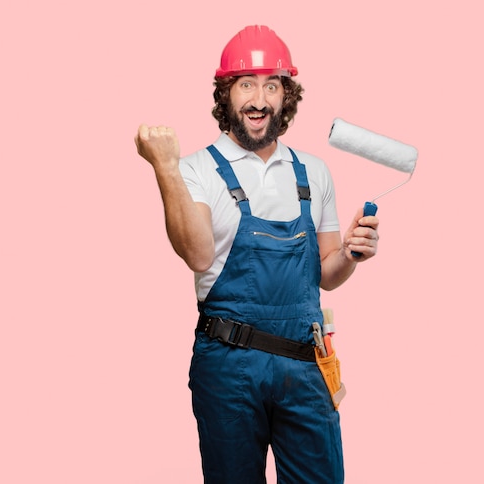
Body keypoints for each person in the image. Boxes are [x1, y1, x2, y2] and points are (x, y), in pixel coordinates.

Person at [134, 25, 379, 484]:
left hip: (306, 363)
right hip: (229, 365)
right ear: (225, 93)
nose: (260, 99)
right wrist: (165, 167)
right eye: (247, 84)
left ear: (287, 95)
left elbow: (327, 274)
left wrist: (349, 253)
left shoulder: (314, 171)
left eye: (273, 84)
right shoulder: (196, 169)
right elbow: (198, 254)